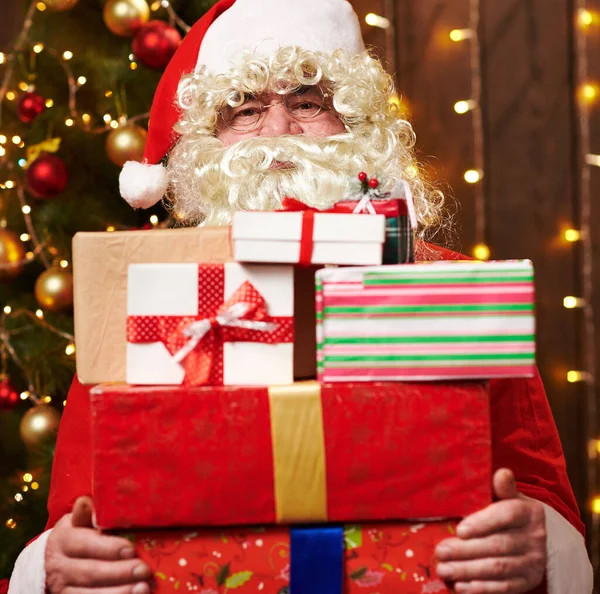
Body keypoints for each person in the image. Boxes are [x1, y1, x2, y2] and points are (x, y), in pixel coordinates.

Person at [9, 0, 593, 593]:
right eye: (246, 110)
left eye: (308, 103)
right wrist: (57, 566)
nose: (279, 134)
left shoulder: (453, 295)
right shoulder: (147, 299)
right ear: (208, 141)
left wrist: (538, 547)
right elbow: (76, 517)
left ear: (359, 125)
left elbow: (541, 496)